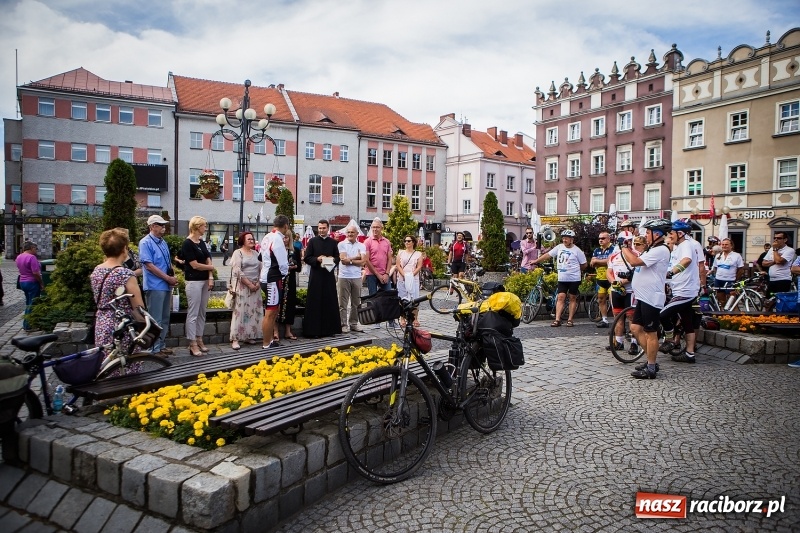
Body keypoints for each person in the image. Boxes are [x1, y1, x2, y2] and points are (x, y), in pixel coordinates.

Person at [620, 219, 672, 379]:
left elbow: (635, 261)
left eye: (648, 233)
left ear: (657, 234)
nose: (646, 235)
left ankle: (651, 367)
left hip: (652, 297)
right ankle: (651, 360)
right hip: (643, 297)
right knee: (636, 328)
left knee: (650, 333)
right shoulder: (652, 249)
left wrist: (624, 247)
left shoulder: (661, 250)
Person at [91, 229, 146, 353]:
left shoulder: (97, 270)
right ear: (124, 249)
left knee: (107, 359)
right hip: (123, 326)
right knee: (125, 361)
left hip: (102, 322)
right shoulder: (125, 274)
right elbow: (138, 307)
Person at [660, 219, 701, 364]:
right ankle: (690, 354)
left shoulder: (686, 245)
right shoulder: (678, 246)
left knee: (662, 315)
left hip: (685, 291)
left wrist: (671, 273)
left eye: (671, 233)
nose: (669, 236)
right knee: (687, 322)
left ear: (680, 233)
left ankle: (670, 340)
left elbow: (686, 261)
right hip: (680, 289)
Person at [139, 215, 178, 356]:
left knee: (165, 318)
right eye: (160, 224)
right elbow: (149, 266)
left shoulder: (163, 242)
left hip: (165, 284)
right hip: (154, 285)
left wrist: (173, 276)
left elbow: (167, 262)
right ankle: (154, 349)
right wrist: (167, 278)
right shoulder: (145, 242)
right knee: (156, 319)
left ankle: (161, 345)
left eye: (163, 224)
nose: (163, 227)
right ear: (152, 226)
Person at [531, 229, 587, 327]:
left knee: (572, 297)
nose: (564, 240)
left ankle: (570, 320)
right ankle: (557, 320)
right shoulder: (559, 247)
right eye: (563, 238)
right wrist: (536, 261)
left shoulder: (577, 251)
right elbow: (548, 255)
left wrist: (576, 271)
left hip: (574, 278)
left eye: (566, 238)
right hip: (562, 278)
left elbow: (584, 264)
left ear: (572, 239)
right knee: (561, 297)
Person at [181, 216, 214, 357]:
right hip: (193, 281)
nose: (205, 228)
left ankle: (199, 338)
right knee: (193, 313)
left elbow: (208, 258)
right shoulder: (187, 243)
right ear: (197, 226)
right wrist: (209, 267)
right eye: (204, 226)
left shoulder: (201, 242)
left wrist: (210, 276)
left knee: (202, 311)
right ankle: (192, 342)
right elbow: (194, 265)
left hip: (205, 280)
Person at [303, 219, 341, 338]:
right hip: (316, 276)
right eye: (320, 228)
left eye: (324, 228)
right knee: (315, 302)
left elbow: (337, 258)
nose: (321, 230)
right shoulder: (312, 241)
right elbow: (307, 258)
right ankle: (313, 331)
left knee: (329, 301)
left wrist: (332, 259)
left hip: (328, 276)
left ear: (328, 228)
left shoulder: (333, 242)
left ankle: (329, 330)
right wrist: (317, 259)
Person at [260, 215, 290, 349]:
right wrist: (283, 274)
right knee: (270, 313)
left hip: (266, 276)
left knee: (273, 310)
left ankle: (270, 340)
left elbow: (260, 256)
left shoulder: (267, 236)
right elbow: (283, 263)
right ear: (286, 226)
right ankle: (266, 343)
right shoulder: (278, 238)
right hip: (273, 278)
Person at [228, 232, 263, 350]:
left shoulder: (256, 253)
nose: (252, 241)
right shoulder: (237, 253)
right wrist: (249, 284)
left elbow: (261, 269)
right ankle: (235, 338)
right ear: (243, 241)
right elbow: (237, 271)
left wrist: (258, 283)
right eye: (249, 239)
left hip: (255, 286)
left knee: (253, 311)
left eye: (252, 239)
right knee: (240, 312)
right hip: (242, 286)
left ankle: (248, 335)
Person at [605, 231, 637, 353]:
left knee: (631, 317)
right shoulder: (614, 256)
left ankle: (634, 343)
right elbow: (609, 272)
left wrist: (622, 282)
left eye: (630, 240)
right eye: (625, 241)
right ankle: (619, 342)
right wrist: (614, 282)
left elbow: (637, 273)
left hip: (631, 290)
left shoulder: (637, 255)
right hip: (616, 290)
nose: (628, 243)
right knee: (618, 317)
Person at [363, 217, 395, 328]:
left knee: (389, 297)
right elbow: (367, 260)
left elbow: (390, 259)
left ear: (382, 228)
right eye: (373, 227)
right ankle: (376, 321)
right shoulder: (367, 242)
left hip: (384, 274)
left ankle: (391, 321)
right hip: (371, 274)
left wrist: (387, 274)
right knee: (373, 298)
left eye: (377, 227)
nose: (375, 229)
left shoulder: (386, 242)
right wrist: (378, 274)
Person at [338, 222, 367, 333]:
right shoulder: (341, 244)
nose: (350, 234)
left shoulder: (362, 245)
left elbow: (363, 262)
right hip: (344, 276)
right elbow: (343, 261)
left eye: (352, 232)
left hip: (356, 277)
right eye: (348, 232)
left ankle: (353, 323)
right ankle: (343, 324)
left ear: (357, 234)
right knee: (343, 303)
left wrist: (349, 260)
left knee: (356, 302)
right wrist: (356, 258)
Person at [278, 228, 302, 341]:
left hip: (290, 280)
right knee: (277, 304)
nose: (284, 240)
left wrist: (294, 267)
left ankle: (288, 330)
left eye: (286, 237)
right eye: (282, 238)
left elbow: (299, 268)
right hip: (278, 280)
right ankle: (275, 331)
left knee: (290, 305)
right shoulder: (276, 249)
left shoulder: (295, 250)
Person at [396, 235, 423, 327]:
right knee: (402, 298)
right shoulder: (401, 253)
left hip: (413, 279)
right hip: (402, 278)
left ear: (413, 242)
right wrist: (404, 275)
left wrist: (411, 275)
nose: (406, 242)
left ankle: (415, 318)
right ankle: (402, 318)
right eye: (405, 241)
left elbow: (419, 266)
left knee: (415, 299)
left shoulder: (418, 254)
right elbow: (398, 265)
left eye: (408, 241)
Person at [16, 241, 44, 332]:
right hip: (32, 282)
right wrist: (41, 283)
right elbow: (35, 273)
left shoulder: (19, 256)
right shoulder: (32, 257)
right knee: (33, 303)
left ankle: (26, 323)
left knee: (28, 303)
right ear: (31, 248)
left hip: (22, 282)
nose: (36, 250)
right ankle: (28, 326)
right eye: (36, 248)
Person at [710, 238, 745, 307]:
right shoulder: (718, 255)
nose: (724, 246)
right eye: (723, 244)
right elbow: (715, 267)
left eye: (726, 244)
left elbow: (741, 269)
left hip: (730, 281)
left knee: (732, 303)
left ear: (731, 246)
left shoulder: (737, 255)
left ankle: (734, 314)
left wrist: (736, 279)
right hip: (718, 280)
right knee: (722, 302)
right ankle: (723, 313)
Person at [591, 231, 615, 328]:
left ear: (608, 239)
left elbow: (610, 261)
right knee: (601, 300)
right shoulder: (597, 250)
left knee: (613, 301)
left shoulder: (614, 249)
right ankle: (604, 320)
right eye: (599, 238)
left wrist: (597, 261)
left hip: (611, 279)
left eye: (603, 238)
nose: (600, 240)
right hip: (600, 279)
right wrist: (602, 261)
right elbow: (592, 263)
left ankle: (617, 321)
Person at [761, 232, 796, 296]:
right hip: (771, 279)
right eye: (775, 238)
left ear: (785, 240)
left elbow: (779, 261)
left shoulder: (789, 250)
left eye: (779, 238)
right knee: (769, 299)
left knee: (780, 300)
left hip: (783, 280)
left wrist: (775, 250)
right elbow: (763, 263)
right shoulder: (771, 249)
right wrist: (774, 261)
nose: (776, 240)